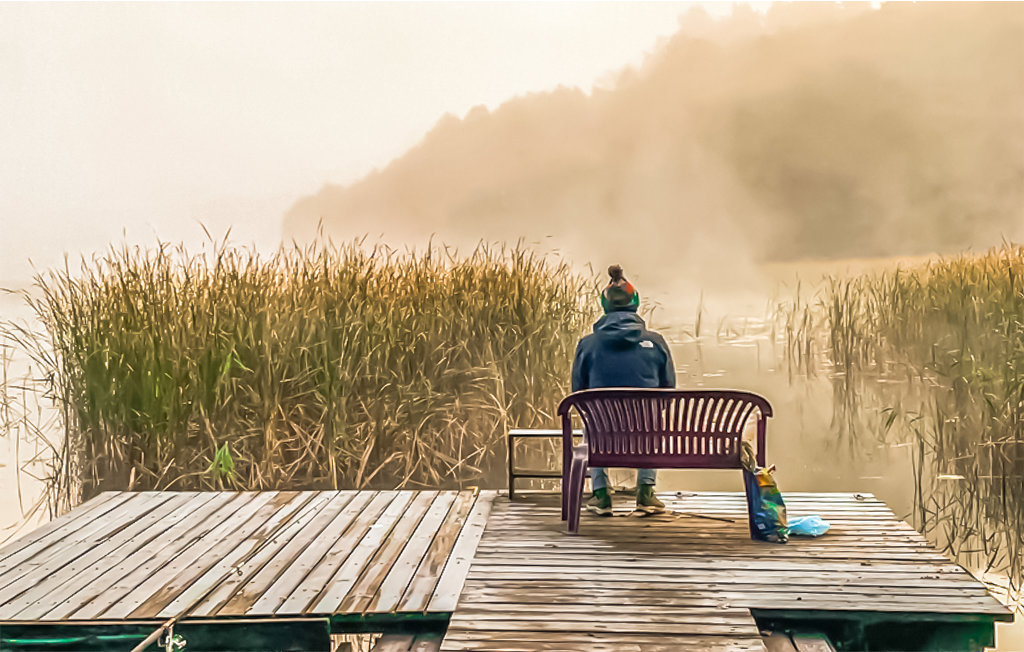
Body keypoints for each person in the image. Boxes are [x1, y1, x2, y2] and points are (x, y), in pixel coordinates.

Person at [571, 264, 676, 516]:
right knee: (652, 422)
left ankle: (601, 494)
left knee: (592, 421)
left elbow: (578, 394)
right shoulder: (657, 342)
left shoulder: (588, 345)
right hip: (645, 432)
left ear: (604, 305)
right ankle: (646, 492)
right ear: (635, 303)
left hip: (602, 434)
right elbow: (668, 390)